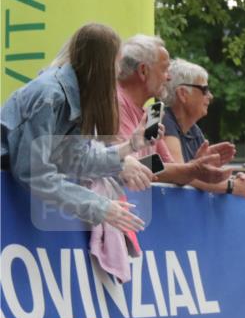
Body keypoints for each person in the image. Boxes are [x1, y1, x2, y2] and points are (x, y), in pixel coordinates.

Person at [1, 23, 153, 231]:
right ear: (103, 66)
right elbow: (34, 172)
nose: (119, 71)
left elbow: (76, 160)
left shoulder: (75, 99)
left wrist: (130, 146)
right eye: (117, 63)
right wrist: (99, 206)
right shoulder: (49, 97)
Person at [116, 35, 233, 187]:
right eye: (164, 69)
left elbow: (167, 168)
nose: (169, 77)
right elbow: (130, 167)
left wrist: (194, 165)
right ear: (143, 71)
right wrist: (193, 168)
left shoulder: (152, 114)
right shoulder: (116, 103)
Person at [161, 59, 245, 198]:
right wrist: (233, 186)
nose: (210, 96)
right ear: (183, 94)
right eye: (205, 90)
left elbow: (205, 177)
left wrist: (243, 181)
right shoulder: (162, 119)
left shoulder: (193, 130)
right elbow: (179, 173)